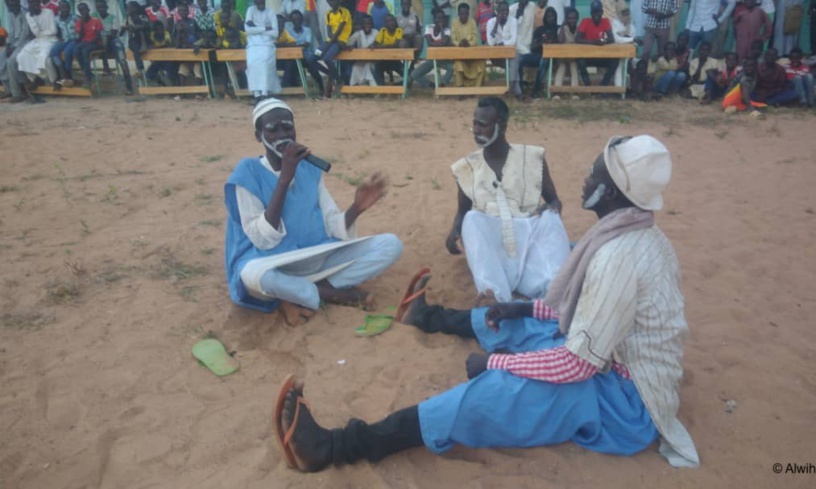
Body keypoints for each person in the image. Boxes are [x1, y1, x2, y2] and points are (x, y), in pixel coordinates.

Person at [274, 134, 701, 473]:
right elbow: (581, 312)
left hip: (627, 402)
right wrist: (524, 308)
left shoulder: (618, 256)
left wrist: (496, 364)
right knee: (525, 321)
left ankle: (336, 446)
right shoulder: (631, 231)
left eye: (594, 175)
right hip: (610, 362)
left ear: (611, 192)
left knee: (499, 392)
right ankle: (429, 317)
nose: (586, 181)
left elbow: (576, 366)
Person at [224, 98, 403, 319]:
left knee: (391, 244)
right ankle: (336, 294)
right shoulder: (247, 172)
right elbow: (263, 239)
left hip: (315, 255)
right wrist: (284, 178)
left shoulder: (309, 169)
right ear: (258, 136)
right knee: (252, 276)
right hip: (273, 262)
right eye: (272, 129)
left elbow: (331, 224)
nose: (282, 134)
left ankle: (311, 291)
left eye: (287, 127)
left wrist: (356, 208)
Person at [446, 98, 569, 304]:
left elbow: (554, 201)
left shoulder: (532, 158)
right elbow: (462, 213)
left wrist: (552, 208)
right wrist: (454, 231)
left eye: (482, 125)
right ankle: (494, 295)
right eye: (474, 123)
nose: (476, 130)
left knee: (551, 217)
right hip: (494, 247)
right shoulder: (466, 168)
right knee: (472, 219)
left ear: (502, 126)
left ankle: (552, 293)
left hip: (528, 239)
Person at [15, 0, 57, 95]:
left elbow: (53, 31)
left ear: (39, 3)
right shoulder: (29, 15)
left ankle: (53, 80)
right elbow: (36, 32)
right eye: (31, 3)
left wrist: (42, 33)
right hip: (38, 40)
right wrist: (32, 17)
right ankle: (34, 79)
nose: (33, 5)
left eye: (35, 2)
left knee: (43, 57)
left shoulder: (48, 12)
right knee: (22, 56)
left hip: (50, 40)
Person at [92, 0, 134, 95]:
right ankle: (105, 67)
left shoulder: (113, 18)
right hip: (98, 43)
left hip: (111, 41)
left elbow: (113, 34)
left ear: (106, 7)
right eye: (98, 7)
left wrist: (103, 36)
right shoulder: (94, 17)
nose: (100, 9)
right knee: (101, 40)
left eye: (102, 7)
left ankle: (129, 86)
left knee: (122, 60)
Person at [245, 0, 280, 102]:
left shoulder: (270, 12)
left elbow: (275, 33)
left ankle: (265, 93)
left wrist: (256, 27)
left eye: (262, 2)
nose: (261, 4)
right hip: (253, 44)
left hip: (267, 44)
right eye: (259, 2)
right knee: (251, 64)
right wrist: (265, 28)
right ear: (255, 2)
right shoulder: (250, 10)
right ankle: (256, 94)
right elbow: (248, 30)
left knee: (265, 65)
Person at [282, 10, 324, 94]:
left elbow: (307, 44)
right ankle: (289, 88)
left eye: (298, 19)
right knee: (289, 64)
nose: (296, 21)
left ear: (302, 20)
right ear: (292, 21)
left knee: (312, 65)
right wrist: (297, 45)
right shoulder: (288, 31)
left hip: (306, 56)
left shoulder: (307, 30)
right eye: (294, 20)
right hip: (293, 57)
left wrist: (294, 45)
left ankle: (321, 87)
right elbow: (286, 44)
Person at [577, 1, 618, 88]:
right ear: (591, 13)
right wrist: (593, 42)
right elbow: (578, 39)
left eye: (598, 12)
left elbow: (611, 38)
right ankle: (588, 86)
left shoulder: (605, 21)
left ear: (602, 12)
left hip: (601, 56)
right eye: (594, 12)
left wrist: (603, 41)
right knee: (580, 61)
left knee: (615, 61)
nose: (596, 15)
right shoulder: (585, 21)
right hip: (588, 56)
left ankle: (603, 86)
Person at [409, 9, 452, 89]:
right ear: (434, 19)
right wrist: (439, 44)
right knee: (414, 74)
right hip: (432, 59)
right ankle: (431, 85)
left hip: (444, 59)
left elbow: (443, 43)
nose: (441, 20)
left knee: (452, 68)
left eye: (442, 18)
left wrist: (441, 28)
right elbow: (429, 43)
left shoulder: (447, 30)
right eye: (438, 18)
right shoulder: (429, 27)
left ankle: (442, 84)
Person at [320, 0, 352, 97]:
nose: (332, 2)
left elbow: (339, 31)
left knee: (327, 58)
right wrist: (329, 44)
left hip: (340, 41)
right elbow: (329, 32)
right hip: (332, 42)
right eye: (330, 1)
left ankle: (338, 80)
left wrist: (328, 46)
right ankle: (332, 74)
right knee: (312, 58)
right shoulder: (328, 13)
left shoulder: (344, 11)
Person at [523, 6, 556, 97]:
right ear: (545, 18)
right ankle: (520, 88)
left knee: (544, 60)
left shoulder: (558, 29)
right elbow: (533, 47)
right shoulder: (539, 30)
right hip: (537, 55)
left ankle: (536, 89)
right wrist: (541, 42)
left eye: (552, 16)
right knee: (520, 59)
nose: (551, 18)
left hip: (552, 57)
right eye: (548, 16)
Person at [0, 0, 29, 102]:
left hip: (24, 42)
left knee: (11, 62)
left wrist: (14, 47)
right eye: (11, 6)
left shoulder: (25, 14)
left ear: (19, 4)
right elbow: (11, 32)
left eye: (15, 5)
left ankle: (18, 94)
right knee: (1, 59)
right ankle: (8, 89)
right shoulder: (10, 14)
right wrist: (8, 44)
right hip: (12, 43)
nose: (13, 8)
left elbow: (25, 33)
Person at [451, 3, 485, 88]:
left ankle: (477, 88)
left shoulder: (472, 22)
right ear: (458, 14)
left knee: (481, 63)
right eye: (462, 14)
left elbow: (475, 38)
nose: (464, 16)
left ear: (468, 13)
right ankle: (460, 88)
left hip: (472, 54)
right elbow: (453, 39)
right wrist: (459, 44)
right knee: (458, 64)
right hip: (460, 55)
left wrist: (468, 44)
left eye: (466, 14)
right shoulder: (454, 23)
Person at [508, 0, 535, 100]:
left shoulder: (532, 6)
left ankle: (531, 88)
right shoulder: (511, 9)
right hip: (516, 45)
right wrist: (518, 15)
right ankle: (517, 91)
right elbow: (509, 28)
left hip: (529, 45)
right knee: (515, 63)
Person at [74, 2, 104, 90]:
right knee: (76, 50)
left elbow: (98, 37)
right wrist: (82, 23)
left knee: (85, 51)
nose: (83, 12)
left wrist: (89, 42)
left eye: (84, 9)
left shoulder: (96, 21)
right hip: (84, 42)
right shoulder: (79, 22)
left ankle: (87, 77)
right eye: (81, 10)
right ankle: (88, 73)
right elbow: (80, 37)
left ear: (88, 10)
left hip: (95, 43)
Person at [173, 2, 201, 87]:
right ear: (178, 13)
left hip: (195, 55)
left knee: (198, 71)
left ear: (189, 11)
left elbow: (200, 36)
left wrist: (198, 44)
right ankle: (183, 92)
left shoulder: (193, 22)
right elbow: (176, 45)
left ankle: (199, 92)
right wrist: (179, 31)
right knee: (181, 72)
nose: (184, 12)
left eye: (185, 10)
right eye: (181, 11)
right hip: (185, 57)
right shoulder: (177, 24)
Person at [346, 14, 377, 86]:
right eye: (365, 24)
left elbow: (365, 46)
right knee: (355, 67)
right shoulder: (358, 33)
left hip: (372, 60)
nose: (367, 25)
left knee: (369, 67)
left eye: (369, 23)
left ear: (372, 24)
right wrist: (351, 46)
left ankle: (373, 88)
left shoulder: (376, 32)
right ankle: (355, 88)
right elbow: (348, 43)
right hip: (361, 60)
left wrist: (362, 33)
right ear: (362, 25)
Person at [373, 14, 403, 85]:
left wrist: (382, 46)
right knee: (376, 69)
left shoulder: (399, 30)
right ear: (385, 23)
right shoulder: (383, 31)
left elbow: (395, 45)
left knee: (408, 76)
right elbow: (375, 44)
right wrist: (379, 46)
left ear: (395, 21)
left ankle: (396, 86)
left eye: (392, 20)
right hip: (384, 60)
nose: (390, 23)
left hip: (395, 59)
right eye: (388, 21)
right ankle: (381, 88)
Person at [553, 7, 578, 87]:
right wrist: (563, 25)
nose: (572, 20)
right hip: (563, 56)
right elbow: (560, 40)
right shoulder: (563, 28)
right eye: (570, 18)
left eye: (574, 18)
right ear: (567, 19)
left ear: (577, 19)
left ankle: (574, 91)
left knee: (574, 67)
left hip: (574, 57)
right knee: (562, 67)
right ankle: (557, 90)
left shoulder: (579, 29)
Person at [125, 1, 150, 78]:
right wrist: (124, 28)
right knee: (135, 49)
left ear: (135, 8)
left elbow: (146, 26)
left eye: (129, 7)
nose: (128, 9)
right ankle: (140, 69)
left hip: (143, 38)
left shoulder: (142, 15)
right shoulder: (128, 17)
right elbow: (126, 27)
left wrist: (136, 27)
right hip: (133, 39)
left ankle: (141, 69)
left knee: (139, 30)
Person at [145, 20, 174, 85]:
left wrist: (157, 47)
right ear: (155, 30)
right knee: (148, 75)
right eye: (157, 29)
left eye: (161, 29)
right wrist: (162, 46)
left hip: (167, 59)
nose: (160, 31)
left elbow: (169, 45)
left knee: (168, 73)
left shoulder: (166, 34)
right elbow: (150, 47)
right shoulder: (152, 35)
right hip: (156, 60)